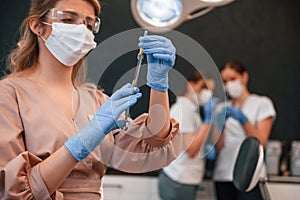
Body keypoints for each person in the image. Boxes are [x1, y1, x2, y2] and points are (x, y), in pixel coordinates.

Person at [0, 0, 181, 199]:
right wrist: (81, 143)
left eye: (88, 24)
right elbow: (11, 189)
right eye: (68, 19)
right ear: (37, 26)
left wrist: (158, 84)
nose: (80, 30)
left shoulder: (97, 101)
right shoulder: (10, 95)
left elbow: (152, 149)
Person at [212, 60, 276, 200]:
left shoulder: (262, 103)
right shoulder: (221, 108)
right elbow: (218, 146)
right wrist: (219, 126)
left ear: (244, 77)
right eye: (225, 81)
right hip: (223, 175)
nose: (230, 84)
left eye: (233, 78)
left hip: (250, 175)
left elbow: (260, 143)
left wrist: (244, 120)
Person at [158, 71, 215, 200]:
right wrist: (208, 121)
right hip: (179, 179)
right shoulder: (184, 109)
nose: (208, 94)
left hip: (185, 179)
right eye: (204, 88)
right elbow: (191, 150)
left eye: (211, 90)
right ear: (191, 85)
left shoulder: (192, 111)